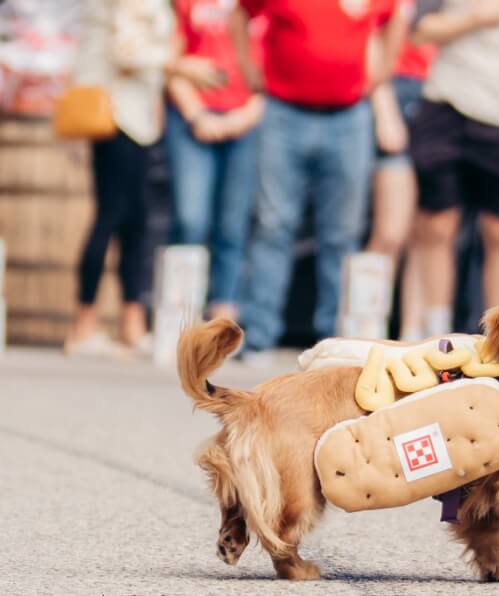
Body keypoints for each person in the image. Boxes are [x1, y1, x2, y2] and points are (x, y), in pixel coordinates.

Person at [230, 0, 400, 363]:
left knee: (342, 233)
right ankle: (259, 337)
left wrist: (383, 70)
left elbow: (396, 14)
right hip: (284, 113)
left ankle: (334, 342)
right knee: (273, 225)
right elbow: (241, 13)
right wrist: (248, 68)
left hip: (348, 114)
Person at [65, 0, 225, 357]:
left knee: (135, 221)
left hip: (140, 120)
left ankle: (131, 324)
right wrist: (180, 66)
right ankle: (83, 325)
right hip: (116, 116)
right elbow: (126, 50)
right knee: (110, 217)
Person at [409, 0, 499, 337]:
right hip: (444, 105)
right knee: (437, 225)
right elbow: (419, 31)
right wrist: (478, 17)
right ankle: (435, 329)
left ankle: (498, 333)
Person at [166, 0, 264, 322]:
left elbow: (275, 68)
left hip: (246, 119)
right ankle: (181, 316)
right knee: (191, 219)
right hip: (193, 116)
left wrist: (245, 116)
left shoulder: (264, 7)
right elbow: (169, 62)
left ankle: (224, 314)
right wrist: (197, 116)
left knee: (233, 224)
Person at [366, 0, 437, 340]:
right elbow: (370, 35)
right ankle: (367, 327)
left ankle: (414, 333)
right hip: (398, 88)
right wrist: (384, 106)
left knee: (429, 231)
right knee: (390, 232)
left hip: (443, 96)